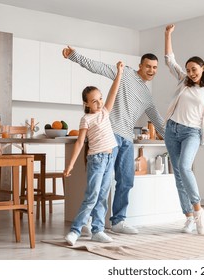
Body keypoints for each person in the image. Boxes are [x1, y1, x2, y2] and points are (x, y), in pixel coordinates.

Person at [62, 46, 165, 235]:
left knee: (126, 180)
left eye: (155, 67)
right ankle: (91, 222)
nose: (151, 70)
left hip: (127, 139)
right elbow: (97, 67)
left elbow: (158, 120)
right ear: (140, 66)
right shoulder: (125, 73)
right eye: (148, 66)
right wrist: (74, 56)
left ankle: (118, 221)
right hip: (109, 134)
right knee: (101, 183)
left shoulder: (147, 96)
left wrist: (175, 138)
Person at [164, 24, 204, 235]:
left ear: (203, 69)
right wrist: (168, 35)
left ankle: (199, 211)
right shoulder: (183, 81)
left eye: (194, 69)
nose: (191, 73)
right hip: (172, 130)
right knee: (178, 175)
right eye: (189, 69)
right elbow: (169, 61)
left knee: (185, 167)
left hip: (192, 132)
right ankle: (188, 217)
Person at [64, 61, 124, 245]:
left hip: (109, 157)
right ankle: (75, 231)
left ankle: (97, 230)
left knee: (103, 196)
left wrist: (119, 73)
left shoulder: (105, 112)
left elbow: (114, 91)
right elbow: (80, 142)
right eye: (94, 100)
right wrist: (71, 165)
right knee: (92, 196)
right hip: (96, 160)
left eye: (100, 98)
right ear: (86, 104)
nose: (99, 103)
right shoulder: (86, 119)